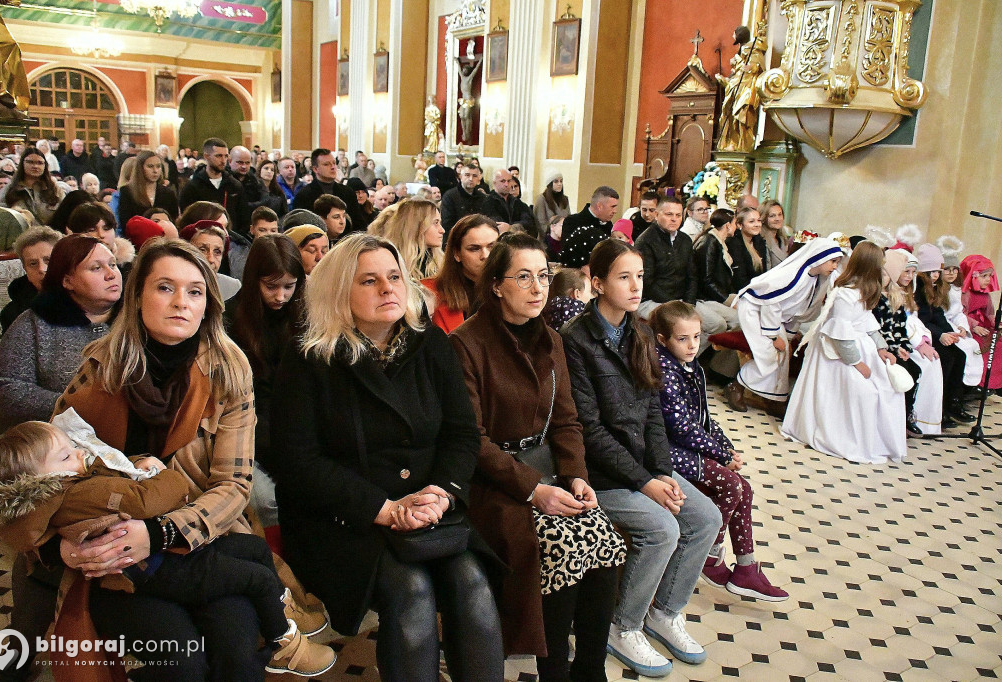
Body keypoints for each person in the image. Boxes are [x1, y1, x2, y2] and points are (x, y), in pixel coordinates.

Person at [269, 232, 505, 681]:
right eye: (369, 281)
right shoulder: (310, 357)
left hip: (427, 507)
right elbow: (297, 462)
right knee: (411, 589)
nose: (388, 289)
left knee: (471, 583)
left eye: (394, 277)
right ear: (339, 292)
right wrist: (383, 509)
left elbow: (461, 435)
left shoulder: (430, 344)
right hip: (345, 517)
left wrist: (441, 493)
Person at [44, 239, 277, 678]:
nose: (181, 303)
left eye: (195, 292)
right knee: (181, 663)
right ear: (137, 297)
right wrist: (65, 547)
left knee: (236, 654)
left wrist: (162, 530)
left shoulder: (229, 369)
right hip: (121, 556)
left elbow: (233, 484)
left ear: (208, 304)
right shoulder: (101, 368)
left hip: (206, 538)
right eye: (165, 287)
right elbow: (43, 473)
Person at [0, 417, 336, 678]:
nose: (80, 453)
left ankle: (280, 609)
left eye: (74, 448)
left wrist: (158, 524)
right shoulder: (79, 483)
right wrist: (157, 471)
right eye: (67, 455)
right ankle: (281, 640)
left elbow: (232, 484)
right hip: (147, 571)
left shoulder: (227, 375)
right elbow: (149, 496)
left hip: (184, 535)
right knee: (221, 618)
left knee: (251, 561)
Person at [448, 233, 624, 682]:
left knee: (607, 546)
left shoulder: (550, 340)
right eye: (523, 277)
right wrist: (534, 490)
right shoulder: (467, 343)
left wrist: (576, 475)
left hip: (547, 470)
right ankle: (553, 671)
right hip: (492, 482)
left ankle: (590, 669)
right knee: (561, 547)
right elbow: (473, 440)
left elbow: (566, 420)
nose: (537, 287)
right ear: (496, 286)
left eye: (543, 276)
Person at [561, 239, 721, 677]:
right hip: (600, 475)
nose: (636, 287)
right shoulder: (575, 340)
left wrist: (663, 472)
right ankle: (622, 625)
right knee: (663, 528)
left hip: (642, 466)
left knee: (705, 516)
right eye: (624, 277)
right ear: (597, 283)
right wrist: (644, 483)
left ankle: (665, 613)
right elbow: (589, 431)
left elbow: (652, 410)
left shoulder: (641, 331)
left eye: (640, 277)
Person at [649, 301, 787, 600]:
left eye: (696, 337)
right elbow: (680, 428)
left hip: (689, 446)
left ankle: (746, 569)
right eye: (682, 339)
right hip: (667, 451)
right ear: (662, 339)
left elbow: (704, 419)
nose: (692, 345)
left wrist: (727, 448)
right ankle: (709, 558)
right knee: (731, 485)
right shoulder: (663, 370)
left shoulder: (691, 366)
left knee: (745, 489)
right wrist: (721, 457)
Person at [782, 242, 907, 463]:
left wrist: (881, 348)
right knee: (866, 394)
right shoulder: (845, 295)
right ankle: (848, 438)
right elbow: (840, 336)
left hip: (861, 349)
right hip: (840, 356)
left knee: (888, 389)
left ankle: (878, 441)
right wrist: (857, 363)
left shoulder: (864, 291)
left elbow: (868, 322)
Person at [0, 235, 121, 424]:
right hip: (60, 441)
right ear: (68, 281)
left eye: (114, 264)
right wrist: (75, 406)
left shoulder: (139, 317)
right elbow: (9, 389)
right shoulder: (36, 322)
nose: (111, 274)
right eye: (96, 268)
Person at [227, 234, 306, 540]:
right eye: (271, 286)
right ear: (253, 280)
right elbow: (243, 397)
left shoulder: (303, 315)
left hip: (295, 425)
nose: (281, 296)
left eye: (289, 286)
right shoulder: (233, 319)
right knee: (267, 500)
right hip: (250, 428)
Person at [724, 237, 843, 414]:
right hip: (755, 310)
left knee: (783, 355)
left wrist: (786, 336)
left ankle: (774, 399)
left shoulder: (815, 280)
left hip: (772, 316)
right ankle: (736, 386)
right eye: (833, 261)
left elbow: (799, 311)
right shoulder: (793, 275)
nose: (835, 266)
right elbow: (771, 302)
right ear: (819, 257)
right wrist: (773, 337)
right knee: (769, 354)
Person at [874, 249, 941, 437]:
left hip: (894, 346)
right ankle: (896, 417)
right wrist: (894, 348)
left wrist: (903, 346)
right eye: (884, 274)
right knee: (904, 370)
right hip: (880, 347)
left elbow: (900, 328)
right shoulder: (877, 298)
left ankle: (906, 414)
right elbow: (879, 329)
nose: (885, 278)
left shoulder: (897, 297)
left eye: (888, 275)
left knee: (915, 369)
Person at [914, 243, 976, 425]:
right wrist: (940, 335)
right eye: (932, 271)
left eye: (937, 272)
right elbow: (920, 319)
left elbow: (938, 315)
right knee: (947, 358)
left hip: (934, 332)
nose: (935, 275)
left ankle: (953, 403)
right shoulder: (918, 289)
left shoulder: (934, 288)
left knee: (960, 355)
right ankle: (939, 408)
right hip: (923, 333)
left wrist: (950, 331)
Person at [422, 213, 498, 334]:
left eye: (492, 247)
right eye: (474, 248)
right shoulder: (429, 293)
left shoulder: (512, 287)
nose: (485, 255)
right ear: (457, 254)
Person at [634, 195, 697, 319]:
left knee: (717, 324)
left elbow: (693, 275)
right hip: (652, 300)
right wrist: (674, 305)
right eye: (669, 214)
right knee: (679, 324)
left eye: (678, 215)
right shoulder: (645, 240)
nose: (674, 219)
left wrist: (689, 303)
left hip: (681, 300)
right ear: (657, 215)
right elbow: (647, 281)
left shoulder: (685, 240)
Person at [178, 138, 250, 236]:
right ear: (206, 156)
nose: (223, 160)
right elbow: (186, 219)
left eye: (225, 156)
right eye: (219, 156)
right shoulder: (192, 187)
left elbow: (243, 217)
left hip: (231, 240)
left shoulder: (234, 185)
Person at [937, 238, 984, 390]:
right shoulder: (938, 290)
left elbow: (958, 313)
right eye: (947, 269)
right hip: (943, 326)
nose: (951, 273)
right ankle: (957, 388)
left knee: (973, 345)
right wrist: (955, 329)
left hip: (954, 324)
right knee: (961, 350)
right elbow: (941, 315)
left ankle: (968, 385)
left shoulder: (955, 289)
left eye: (954, 269)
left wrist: (963, 327)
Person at [693, 208, 741, 352]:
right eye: (734, 223)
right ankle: (692, 358)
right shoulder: (709, 242)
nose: (736, 227)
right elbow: (706, 281)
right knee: (735, 319)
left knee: (745, 314)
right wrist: (728, 300)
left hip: (715, 294)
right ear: (727, 225)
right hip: (704, 297)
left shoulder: (720, 242)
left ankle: (719, 364)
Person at [0, 226, 60, 332]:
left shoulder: (87, 300)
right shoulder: (13, 314)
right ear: (25, 269)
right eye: (33, 264)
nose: (42, 269)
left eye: (48, 260)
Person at [291, 148, 365, 231]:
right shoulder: (304, 195)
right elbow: (300, 228)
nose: (333, 167)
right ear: (315, 169)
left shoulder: (347, 192)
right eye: (327, 164)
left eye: (334, 163)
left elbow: (358, 224)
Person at [960, 254, 1002, 392]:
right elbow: (960, 313)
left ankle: (994, 383)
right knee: (981, 345)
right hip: (969, 327)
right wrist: (974, 325)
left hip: (984, 326)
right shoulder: (965, 294)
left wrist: (995, 322)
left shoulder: (985, 294)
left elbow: (989, 313)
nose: (988, 280)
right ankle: (979, 382)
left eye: (990, 276)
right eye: (984, 276)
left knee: (998, 342)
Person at [381, 198, 444, 280]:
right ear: (416, 226)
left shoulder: (440, 262)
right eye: (435, 223)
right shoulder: (391, 264)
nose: (442, 230)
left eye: (440, 223)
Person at [117, 150, 180, 232]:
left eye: (158, 166)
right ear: (140, 168)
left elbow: (174, 220)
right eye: (150, 166)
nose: (155, 171)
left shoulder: (168, 193)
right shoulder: (127, 191)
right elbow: (125, 223)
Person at [66, 202, 136, 275]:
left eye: (106, 228)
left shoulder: (133, 267)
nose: (101, 235)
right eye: (91, 230)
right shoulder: (68, 268)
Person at [180, 220, 242, 301]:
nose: (210, 259)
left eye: (217, 252)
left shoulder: (232, 287)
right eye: (202, 250)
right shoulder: (172, 285)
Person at [0, 148, 64, 226]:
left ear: (45, 166)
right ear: (22, 163)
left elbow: (64, 215)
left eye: (40, 163)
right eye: (30, 162)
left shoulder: (55, 190)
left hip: (49, 235)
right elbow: (2, 218)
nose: (35, 166)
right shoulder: (9, 190)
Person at [560, 186, 619, 268]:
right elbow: (567, 254)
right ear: (599, 206)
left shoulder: (608, 225)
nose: (615, 211)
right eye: (612, 206)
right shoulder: (572, 222)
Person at [481, 169, 536, 237]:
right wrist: (518, 227)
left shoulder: (518, 203)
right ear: (494, 183)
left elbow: (530, 224)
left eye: (509, 181)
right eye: (503, 181)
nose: (506, 184)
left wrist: (510, 227)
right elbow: (497, 225)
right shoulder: (487, 202)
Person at [440, 163, 487, 239]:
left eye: (474, 176)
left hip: (478, 238)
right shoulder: (450, 196)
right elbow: (447, 224)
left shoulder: (482, 197)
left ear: (478, 179)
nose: (471, 179)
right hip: (455, 239)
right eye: (467, 175)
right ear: (460, 177)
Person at [726, 205, 768, 292]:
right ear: (739, 224)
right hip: (741, 292)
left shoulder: (759, 242)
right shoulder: (734, 244)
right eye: (751, 221)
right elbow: (739, 279)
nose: (757, 224)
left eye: (759, 220)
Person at [542, 267, 591, 333]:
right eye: (590, 291)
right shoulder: (581, 313)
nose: (593, 296)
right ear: (577, 294)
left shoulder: (544, 312)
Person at [533, 173, 570, 243]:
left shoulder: (565, 199)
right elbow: (540, 225)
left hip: (563, 239)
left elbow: (569, 219)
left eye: (561, 181)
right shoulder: (541, 199)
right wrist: (554, 225)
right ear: (550, 184)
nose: (559, 184)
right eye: (556, 181)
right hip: (546, 242)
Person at [758, 199, 792, 267]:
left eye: (780, 214)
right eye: (772, 216)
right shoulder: (761, 241)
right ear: (764, 218)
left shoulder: (783, 239)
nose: (777, 219)